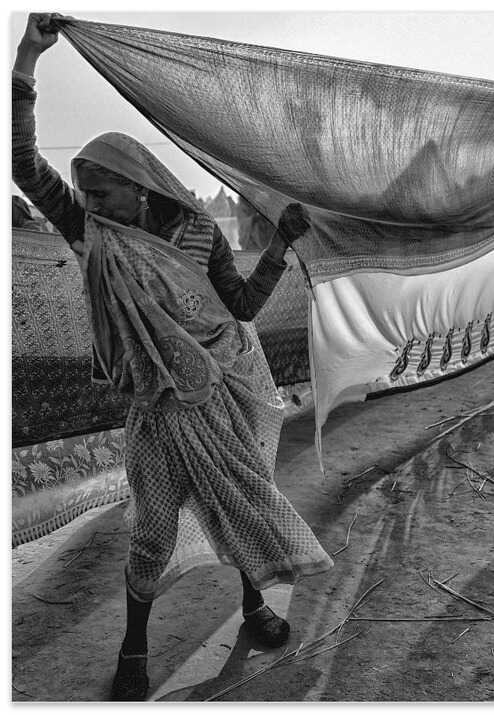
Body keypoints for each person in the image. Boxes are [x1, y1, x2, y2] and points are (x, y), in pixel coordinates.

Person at [13, 14, 334, 701]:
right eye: (87, 195)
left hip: (220, 398)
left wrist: (280, 243)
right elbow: (24, 166)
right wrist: (27, 60)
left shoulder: (195, 230)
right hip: (156, 411)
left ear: (137, 184)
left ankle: (253, 606)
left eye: (101, 192)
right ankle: (135, 645)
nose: (90, 205)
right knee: (152, 531)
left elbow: (241, 307)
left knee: (243, 503)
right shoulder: (94, 232)